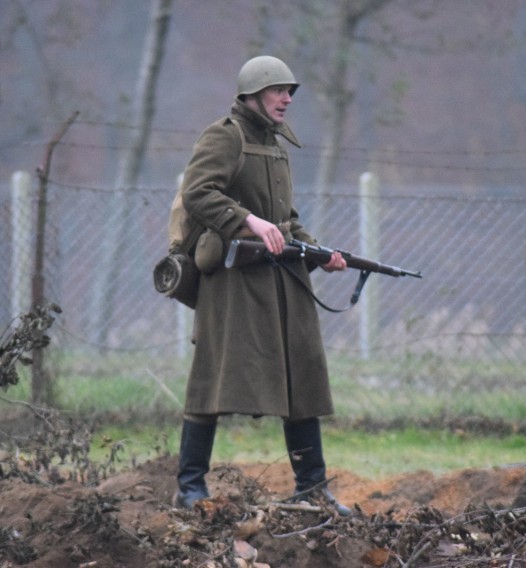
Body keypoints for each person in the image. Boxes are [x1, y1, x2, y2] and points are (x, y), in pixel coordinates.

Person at [173, 55, 351, 516]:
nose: (287, 99)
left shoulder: (276, 145)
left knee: (302, 375)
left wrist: (320, 252)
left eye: (290, 91)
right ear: (252, 94)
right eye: (278, 90)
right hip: (233, 283)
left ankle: (312, 488)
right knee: (212, 379)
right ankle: (190, 487)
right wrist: (246, 219)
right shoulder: (225, 136)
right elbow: (197, 192)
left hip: (281, 281)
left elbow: (286, 220)